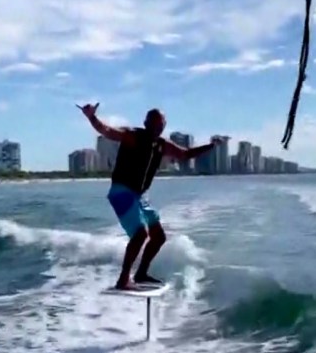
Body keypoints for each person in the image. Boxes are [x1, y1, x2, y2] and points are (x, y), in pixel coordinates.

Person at [77, 103, 227, 290]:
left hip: (140, 196)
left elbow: (185, 154)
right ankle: (124, 279)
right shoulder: (133, 136)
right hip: (122, 192)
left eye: (161, 125)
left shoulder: (161, 145)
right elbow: (106, 131)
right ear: (146, 123)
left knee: (158, 237)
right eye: (155, 124)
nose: (158, 128)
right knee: (140, 234)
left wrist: (211, 145)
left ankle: (140, 274)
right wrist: (92, 117)